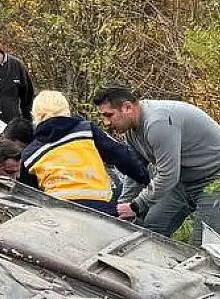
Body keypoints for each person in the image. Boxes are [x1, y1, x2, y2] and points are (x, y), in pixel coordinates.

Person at [93, 86, 220, 242]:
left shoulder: (157, 123)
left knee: (203, 247)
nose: (106, 122)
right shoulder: (131, 131)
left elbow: (168, 176)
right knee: (149, 231)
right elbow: (136, 172)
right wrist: (123, 206)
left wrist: (136, 207)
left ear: (127, 107)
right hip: (183, 179)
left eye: (109, 115)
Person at [20, 91, 151, 216]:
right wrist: (148, 180)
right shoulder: (85, 131)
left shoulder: (30, 154)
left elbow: (29, 195)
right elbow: (122, 157)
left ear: (34, 115)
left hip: (58, 210)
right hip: (100, 206)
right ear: (67, 111)